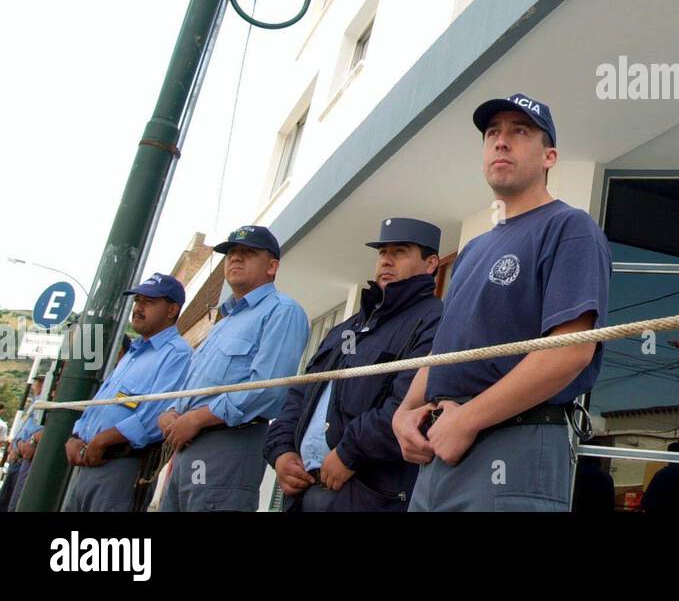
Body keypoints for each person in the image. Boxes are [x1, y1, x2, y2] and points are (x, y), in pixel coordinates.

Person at [392, 93, 611, 512]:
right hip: (439, 450)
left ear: (550, 156)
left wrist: (469, 419)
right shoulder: (473, 250)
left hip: (516, 442)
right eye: (493, 133)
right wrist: (404, 413)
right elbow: (444, 352)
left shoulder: (570, 227)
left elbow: (570, 352)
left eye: (519, 131)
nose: (502, 141)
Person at [265, 218, 444, 512]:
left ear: (431, 263)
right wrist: (281, 452)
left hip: (369, 493)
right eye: (382, 252)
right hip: (301, 493)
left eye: (400, 252)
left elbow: (409, 405)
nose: (386, 260)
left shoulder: (434, 320)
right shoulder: (346, 328)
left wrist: (350, 452)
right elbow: (299, 395)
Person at [159, 225, 309, 512]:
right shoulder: (224, 321)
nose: (236, 258)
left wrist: (197, 419)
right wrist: (171, 413)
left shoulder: (282, 311)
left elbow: (267, 389)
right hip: (186, 447)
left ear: (272, 267)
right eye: (231, 253)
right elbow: (193, 384)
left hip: (230, 442)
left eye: (248, 253)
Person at [64, 274, 193, 512]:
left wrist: (103, 440)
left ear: (172, 310)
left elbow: (157, 416)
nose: (139, 307)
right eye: (138, 300)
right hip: (87, 466)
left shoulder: (177, 354)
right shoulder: (133, 352)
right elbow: (100, 405)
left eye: (149, 302)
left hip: (123, 468)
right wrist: (75, 436)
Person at [4, 376, 46, 512]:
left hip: (23, 460)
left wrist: (19, 446)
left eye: (37, 383)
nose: (34, 386)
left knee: (14, 503)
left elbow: (32, 436)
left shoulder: (42, 405)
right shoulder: (35, 404)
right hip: (16, 459)